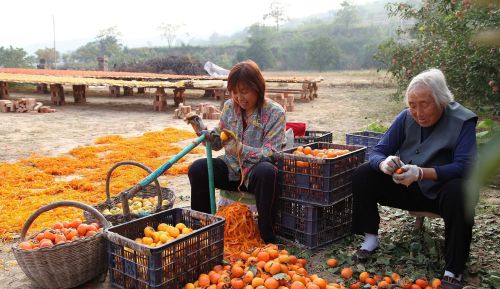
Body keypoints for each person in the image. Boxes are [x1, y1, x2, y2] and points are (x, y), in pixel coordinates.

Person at [351, 68, 478, 289]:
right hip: (410, 190)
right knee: (364, 173)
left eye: (424, 103)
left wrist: (421, 172)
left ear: (442, 100)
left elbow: (465, 167)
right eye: (412, 104)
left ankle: (453, 269)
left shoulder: (462, 120)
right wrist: (384, 163)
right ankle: (370, 239)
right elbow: (377, 152)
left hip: (442, 195)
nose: (418, 112)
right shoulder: (405, 117)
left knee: (461, 190)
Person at [188, 59, 286, 243]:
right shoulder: (229, 107)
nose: (239, 98)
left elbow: (273, 153)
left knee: (268, 171)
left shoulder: (275, 113)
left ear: (258, 87)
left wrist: (241, 149)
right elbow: (218, 142)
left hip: (255, 175)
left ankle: (268, 236)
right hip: (231, 169)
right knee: (197, 169)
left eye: (244, 92)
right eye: (234, 92)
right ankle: (204, 228)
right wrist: (206, 134)